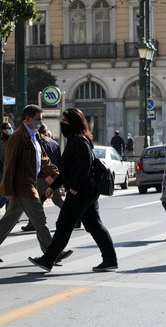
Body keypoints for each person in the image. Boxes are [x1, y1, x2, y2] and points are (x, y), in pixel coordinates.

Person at [28, 108, 118, 272]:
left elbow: (86, 165)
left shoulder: (78, 141)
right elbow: (67, 171)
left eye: (65, 120)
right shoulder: (78, 139)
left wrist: (75, 188)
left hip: (81, 191)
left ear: (74, 123)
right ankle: (110, 260)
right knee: (94, 225)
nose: (62, 123)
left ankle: (48, 259)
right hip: (87, 191)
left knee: (64, 224)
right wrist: (53, 187)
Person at [0, 104, 72, 263]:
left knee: (10, 218)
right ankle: (52, 253)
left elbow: (45, 161)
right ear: (27, 119)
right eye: (38, 120)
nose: (40, 123)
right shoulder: (17, 137)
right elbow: (9, 164)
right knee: (39, 218)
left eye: (41, 120)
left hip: (30, 182)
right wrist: (7, 189)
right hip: (23, 185)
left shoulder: (35, 135)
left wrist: (60, 177)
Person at [21, 123, 66, 232]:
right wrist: (57, 177)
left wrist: (46, 175)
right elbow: (59, 162)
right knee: (57, 200)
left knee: (36, 201)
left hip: (42, 177)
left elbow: (40, 161)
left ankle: (34, 223)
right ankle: (75, 218)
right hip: (54, 176)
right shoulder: (54, 143)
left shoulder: (38, 142)